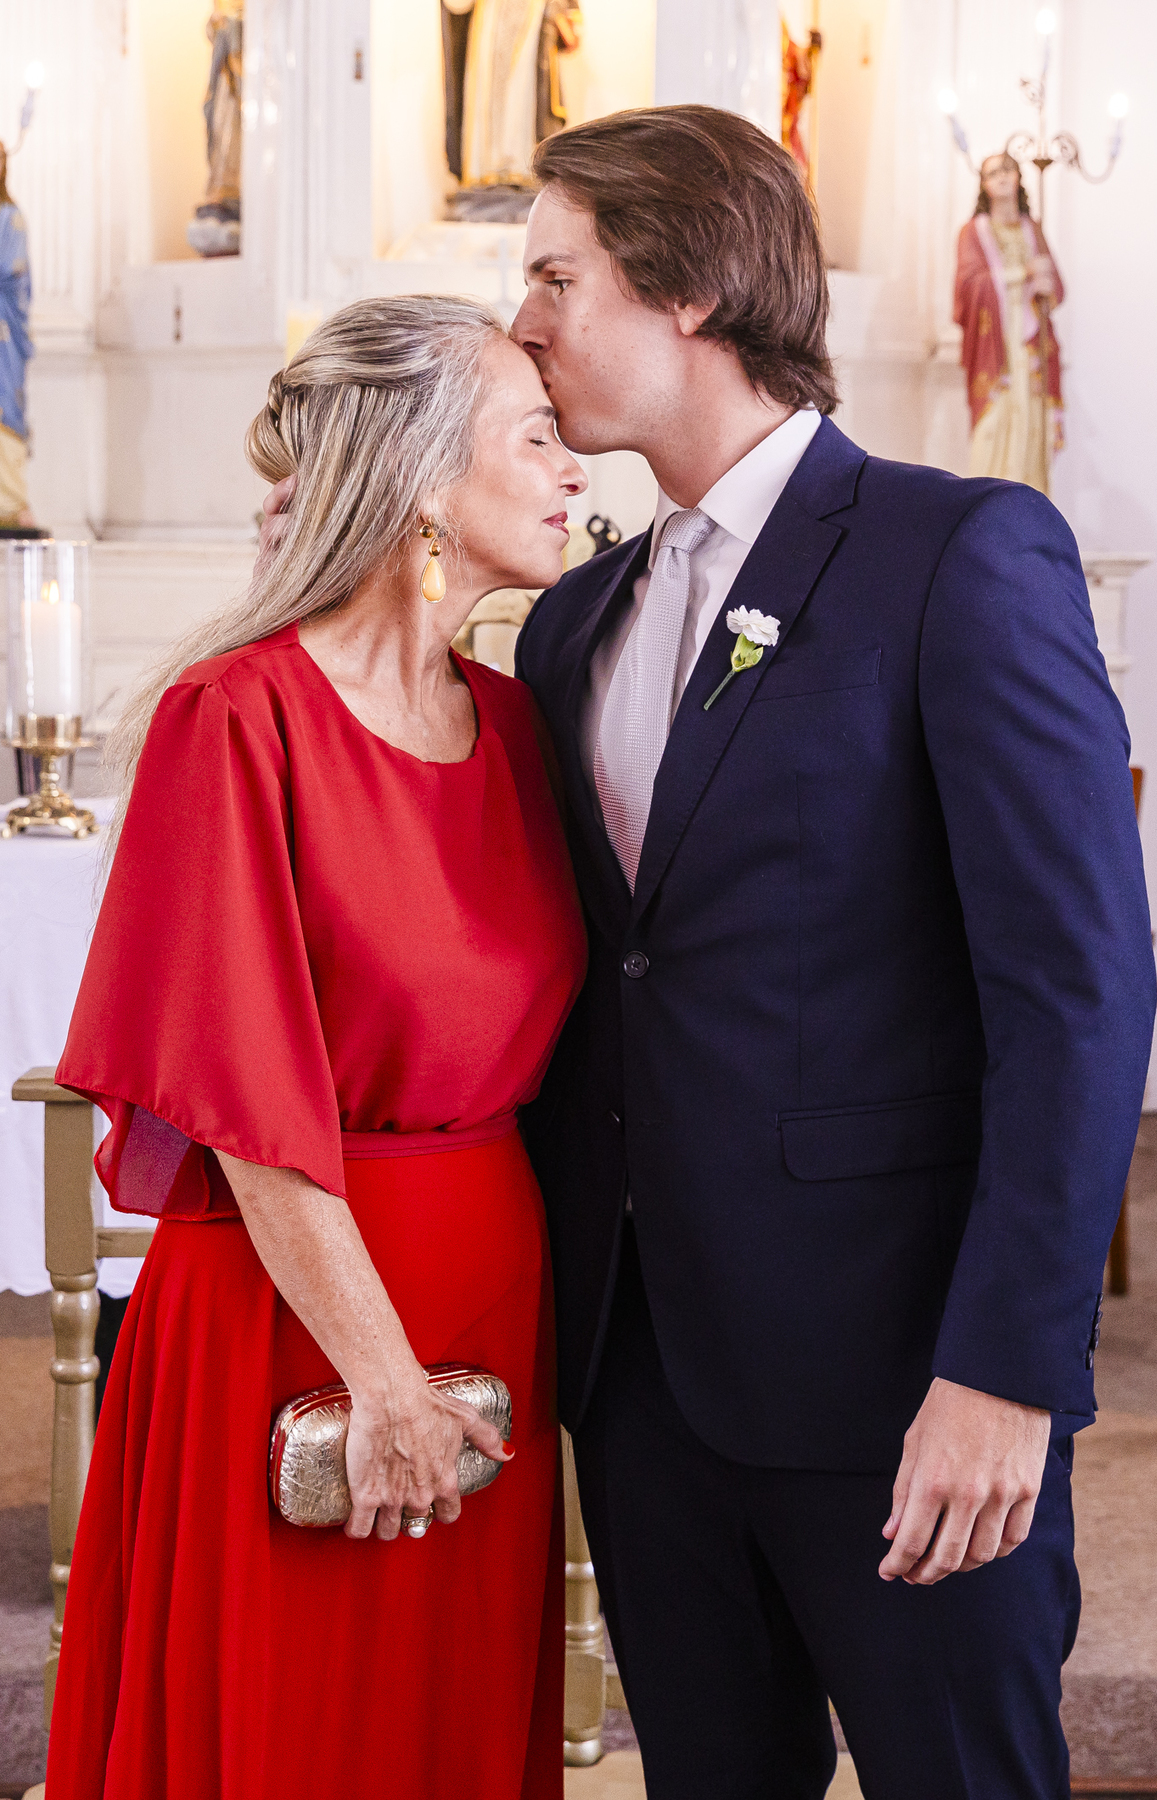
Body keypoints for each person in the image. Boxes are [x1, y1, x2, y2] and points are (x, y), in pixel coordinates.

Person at [507, 106, 1153, 1797]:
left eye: (558, 278)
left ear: (691, 287)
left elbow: (1076, 997)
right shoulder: (571, 623)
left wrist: (1007, 1373)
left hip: (901, 1378)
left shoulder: (957, 552)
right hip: (642, 1383)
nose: (525, 322)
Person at [45, 296, 588, 1799]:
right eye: (534, 437)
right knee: (290, 1731)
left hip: (491, 1296)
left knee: (446, 1726)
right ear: (423, 482)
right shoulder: (235, 716)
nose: (573, 470)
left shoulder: (519, 725)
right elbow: (241, 1097)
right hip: (298, 1317)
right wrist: (385, 1378)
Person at [955, 150, 1065, 495]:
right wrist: (1021, 274)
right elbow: (967, 288)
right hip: (996, 344)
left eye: (1008, 169)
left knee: (1032, 422)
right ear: (984, 185)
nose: (1002, 176)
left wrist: (1046, 286)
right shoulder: (973, 232)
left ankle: (1031, 504)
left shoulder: (1033, 229)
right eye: (993, 172)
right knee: (995, 424)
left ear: (1019, 178)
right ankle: (990, 504)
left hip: (1031, 344)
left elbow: (1057, 287)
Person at [0, 139, 35, 529]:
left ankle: (9, 502)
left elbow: (11, 269)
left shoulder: (10, 217)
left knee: (4, 404)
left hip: (3, 331)